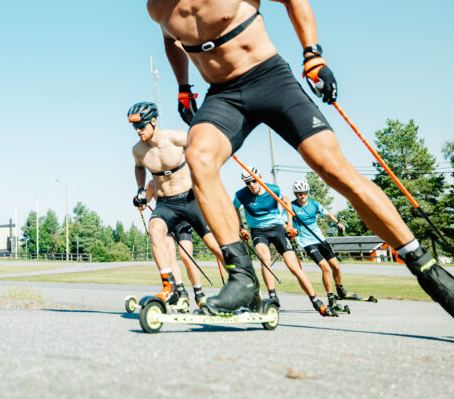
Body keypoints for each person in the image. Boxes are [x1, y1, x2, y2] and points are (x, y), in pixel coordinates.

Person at [124, 0, 454, 346]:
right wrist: (182, 87)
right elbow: (171, 40)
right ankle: (242, 279)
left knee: (331, 168)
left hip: (269, 78)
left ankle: (428, 270)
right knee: (199, 155)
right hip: (223, 95)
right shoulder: (158, 5)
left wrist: (314, 54)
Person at [130, 101, 224, 309]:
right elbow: (139, 168)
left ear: (154, 122)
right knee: (155, 231)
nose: (138, 131)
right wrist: (140, 190)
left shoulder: (176, 137)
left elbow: (201, 145)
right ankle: (168, 286)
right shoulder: (138, 150)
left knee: (214, 245)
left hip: (190, 199)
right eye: (134, 127)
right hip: (166, 203)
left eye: (141, 126)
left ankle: (243, 285)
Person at [233, 170, 335, 316]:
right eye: (248, 182)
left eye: (254, 180)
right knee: (265, 259)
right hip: (258, 231)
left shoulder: (273, 189)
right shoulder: (241, 194)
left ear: (259, 177)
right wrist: (241, 227)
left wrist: (290, 224)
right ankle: (273, 296)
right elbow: (235, 207)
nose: (252, 185)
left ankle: (316, 301)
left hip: (277, 229)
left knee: (293, 266)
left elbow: (287, 202)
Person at [288, 179, 364, 307]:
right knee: (325, 267)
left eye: (305, 193)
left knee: (336, 267)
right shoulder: (291, 206)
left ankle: (340, 290)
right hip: (307, 242)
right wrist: (291, 229)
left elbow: (328, 214)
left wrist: (338, 223)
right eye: (300, 193)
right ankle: (331, 298)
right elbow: (285, 223)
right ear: (296, 194)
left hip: (320, 239)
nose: (303, 196)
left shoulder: (314, 204)